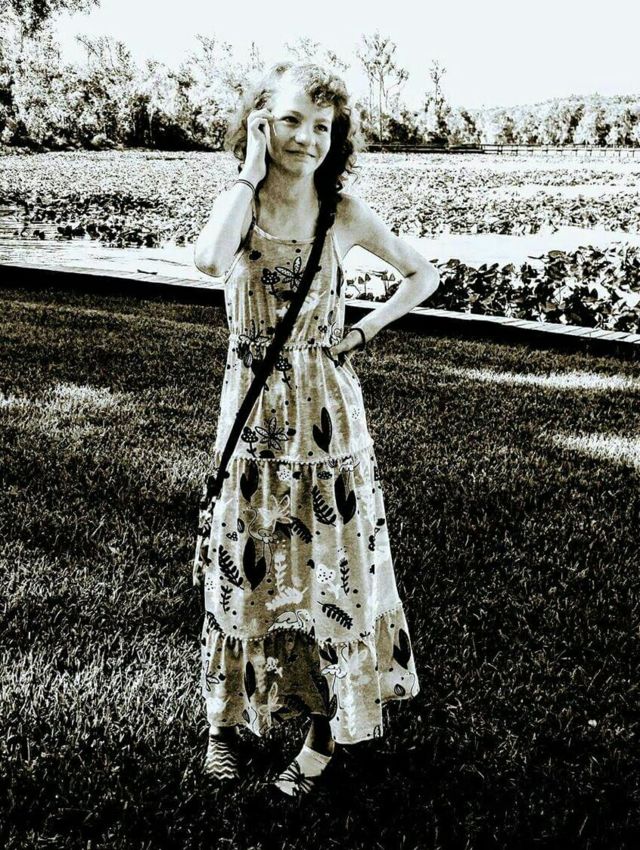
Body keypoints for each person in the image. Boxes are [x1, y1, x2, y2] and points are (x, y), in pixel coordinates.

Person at [192, 60, 440, 798]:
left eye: (323, 127)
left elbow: (421, 275)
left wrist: (363, 332)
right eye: (292, 120)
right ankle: (223, 726)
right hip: (251, 419)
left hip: (329, 428)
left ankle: (322, 737)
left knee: (334, 574)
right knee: (244, 567)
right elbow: (208, 260)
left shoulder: (345, 213)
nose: (307, 138)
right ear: (261, 122)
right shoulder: (239, 205)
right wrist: (249, 171)